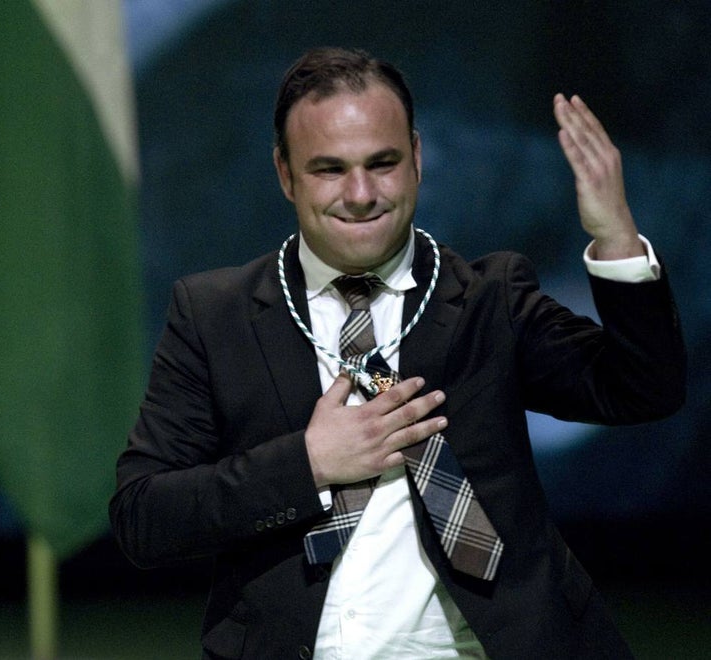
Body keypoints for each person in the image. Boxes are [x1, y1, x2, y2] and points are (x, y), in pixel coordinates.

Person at [110, 47, 685, 659]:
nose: (360, 193)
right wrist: (309, 463)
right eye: (329, 169)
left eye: (382, 163)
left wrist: (615, 236)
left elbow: (642, 389)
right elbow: (144, 517)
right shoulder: (215, 315)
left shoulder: (488, 299)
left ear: (416, 158)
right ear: (285, 174)